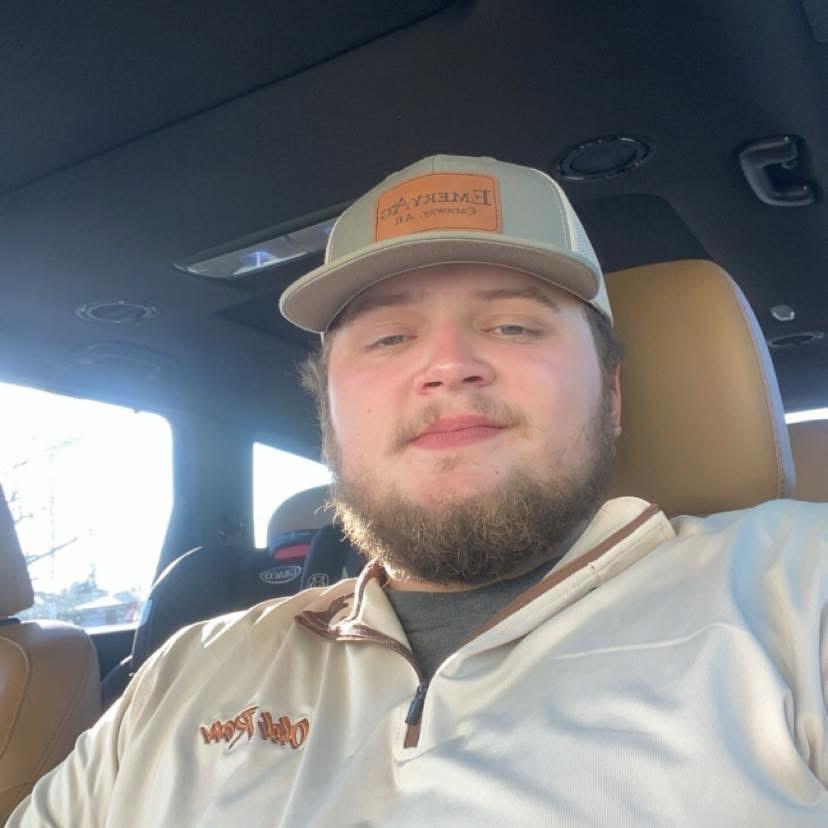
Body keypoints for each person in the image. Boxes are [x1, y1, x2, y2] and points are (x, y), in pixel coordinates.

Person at [9, 155, 827, 826]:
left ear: (610, 397)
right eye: (389, 337)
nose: (447, 365)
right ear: (329, 417)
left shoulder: (794, 589)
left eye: (513, 325)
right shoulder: (187, 671)